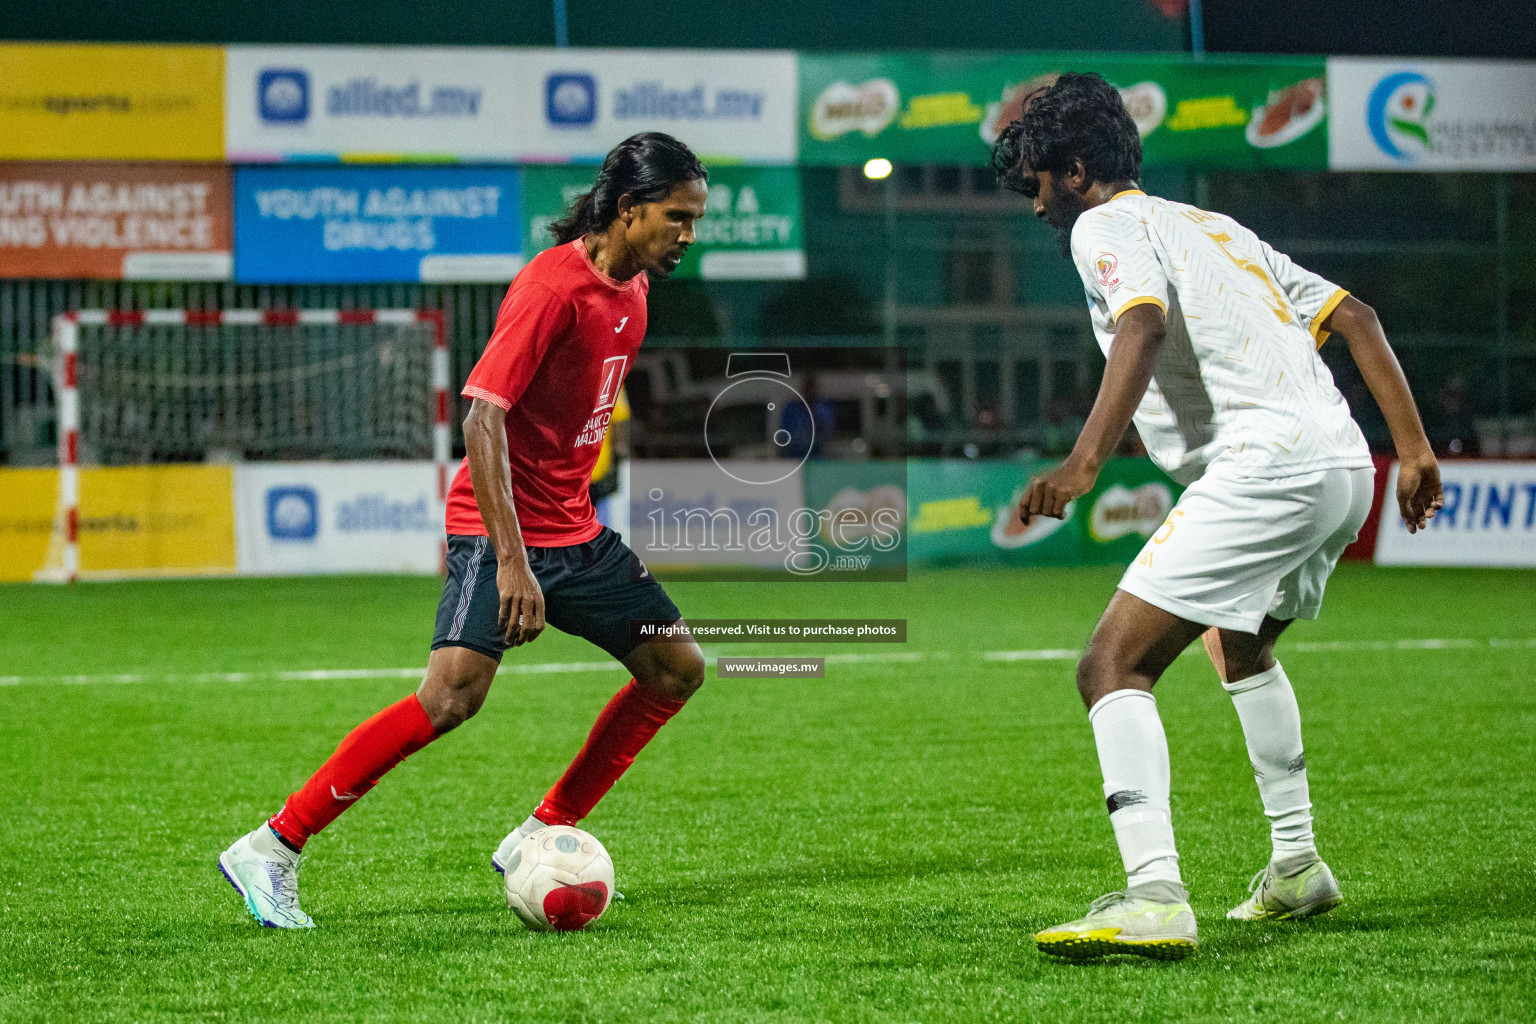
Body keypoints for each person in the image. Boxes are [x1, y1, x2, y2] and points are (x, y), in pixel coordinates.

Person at [991, 74, 1443, 960]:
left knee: (1109, 665)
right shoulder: (1213, 227)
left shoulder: (1102, 225)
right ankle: (1297, 866)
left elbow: (1142, 323)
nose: (1035, 204)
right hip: (1343, 463)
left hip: (1268, 462)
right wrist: (1415, 451)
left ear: (1075, 170)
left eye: (1037, 183)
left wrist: (1085, 461)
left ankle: (1154, 895)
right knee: (1238, 646)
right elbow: (1357, 316)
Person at [219, 132, 710, 929]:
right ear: (629, 209)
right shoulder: (553, 289)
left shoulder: (636, 291)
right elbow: (483, 420)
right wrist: (513, 563)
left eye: (694, 219)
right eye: (677, 217)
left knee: (675, 669)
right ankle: (272, 848)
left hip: (573, 531)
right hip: (497, 529)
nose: (688, 233)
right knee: (451, 698)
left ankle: (545, 828)